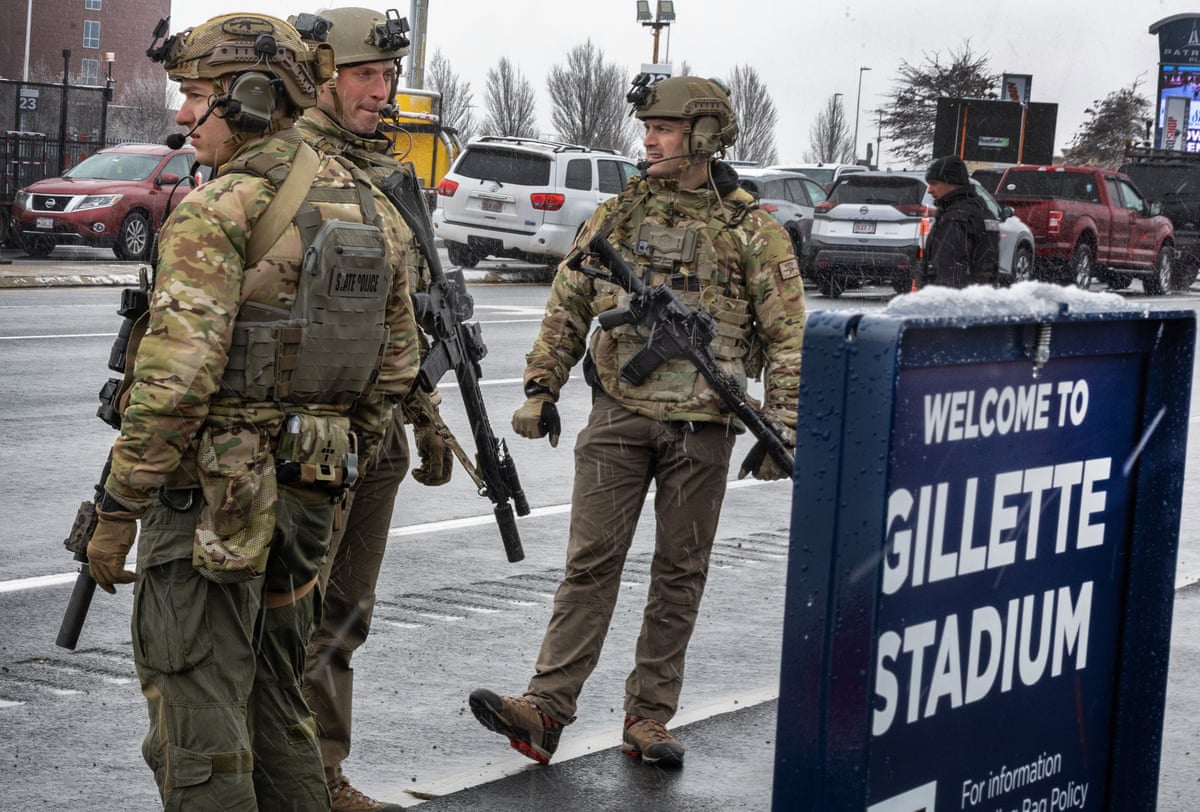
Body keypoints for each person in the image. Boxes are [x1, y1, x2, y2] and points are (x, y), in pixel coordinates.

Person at [83, 13, 420, 810]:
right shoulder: (373, 209)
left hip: (211, 506)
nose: (181, 116)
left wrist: (117, 507)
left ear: (252, 97)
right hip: (310, 495)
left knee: (195, 708)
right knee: (278, 708)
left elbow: (174, 384)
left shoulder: (218, 209)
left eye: (195, 96)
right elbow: (395, 369)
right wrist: (326, 457)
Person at [467, 74, 806, 768]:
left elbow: (788, 338)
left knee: (679, 573)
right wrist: (541, 386)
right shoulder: (618, 216)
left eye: (665, 128)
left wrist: (783, 427)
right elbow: (570, 297)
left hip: (704, 426)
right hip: (618, 412)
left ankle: (649, 717)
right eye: (647, 127)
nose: (648, 139)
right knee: (590, 564)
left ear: (704, 137)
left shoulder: (751, 230)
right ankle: (547, 707)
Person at [289, 8, 453, 810]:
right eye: (365, 75)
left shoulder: (388, 175)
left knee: (347, 613)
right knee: (292, 611)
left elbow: (406, 313)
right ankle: (282, 783)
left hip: (379, 426)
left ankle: (322, 773)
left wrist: (426, 414)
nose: (381, 91)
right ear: (322, 76)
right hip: (318, 429)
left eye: (387, 76)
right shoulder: (294, 167)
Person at [920, 155, 999, 289]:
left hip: (953, 300)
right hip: (979, 296)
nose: (929, 189)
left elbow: (948, 269)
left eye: (934, 183)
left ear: (951, 182)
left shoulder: (956, 218)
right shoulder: (982, 212)